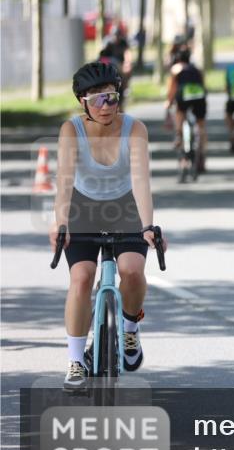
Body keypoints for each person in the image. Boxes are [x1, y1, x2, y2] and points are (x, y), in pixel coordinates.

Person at [51, 62, 167, 391]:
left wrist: (148, 226)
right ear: (82, 102)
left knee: (132, 270)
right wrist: (61, 223)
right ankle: (75, 359)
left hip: (126, 206)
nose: (106, 106)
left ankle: (130, 331)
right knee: (81, 276)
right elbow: (64, 182)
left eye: (112, 98)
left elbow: (141, 180)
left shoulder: (135, 129)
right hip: (82, 208)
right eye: (98, 99)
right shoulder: (71, 130)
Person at [164, 47, 208, 171]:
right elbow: (203, 86)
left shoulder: (176, 69)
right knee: (201, 125)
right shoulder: (197, 69)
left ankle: (178, 135)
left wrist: (169, 101)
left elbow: (172, 88)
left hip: (183, 95)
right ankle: (202, 155)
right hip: (199, 95)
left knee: (179, 113)